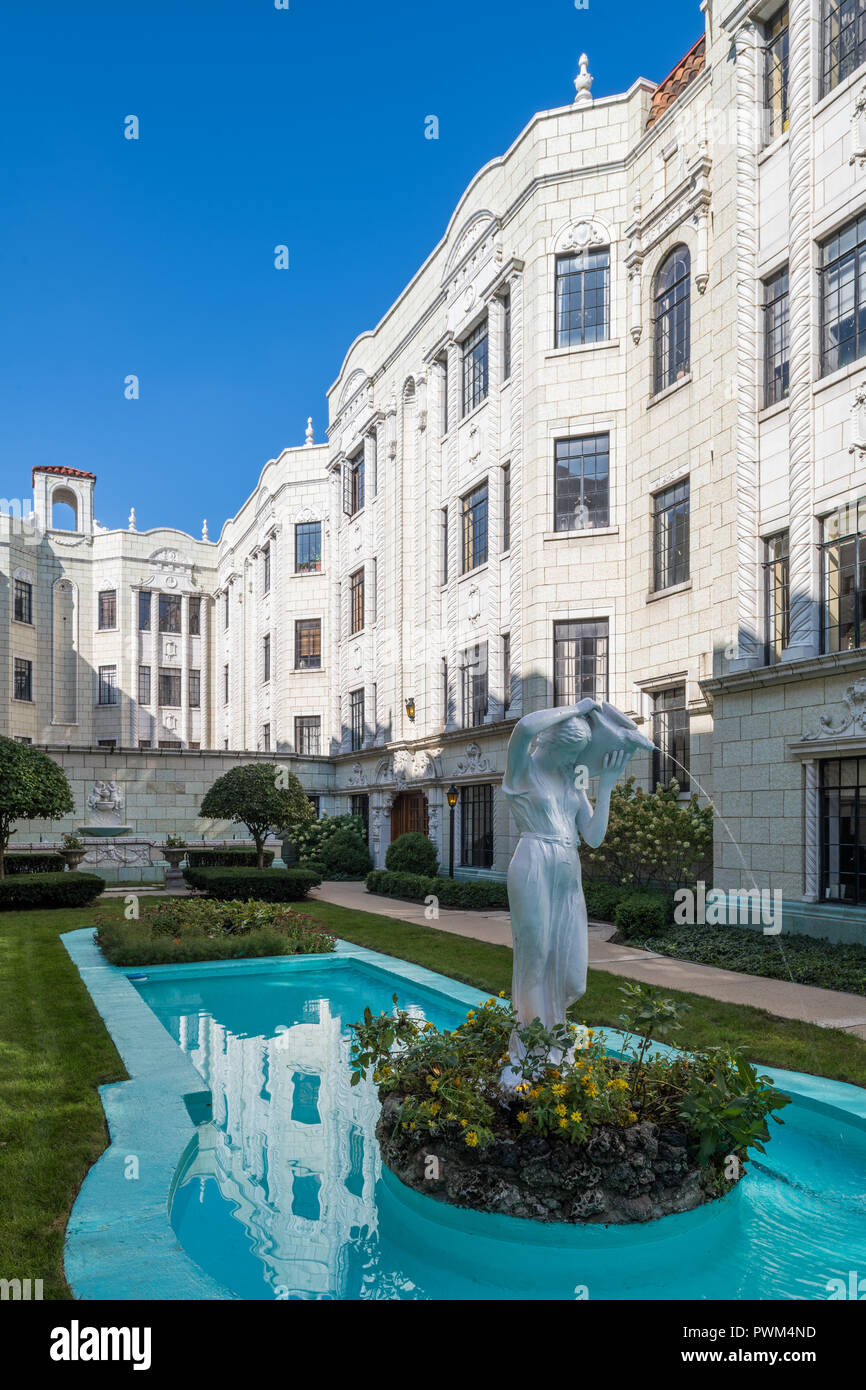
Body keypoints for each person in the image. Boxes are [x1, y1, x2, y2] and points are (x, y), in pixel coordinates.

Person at [500, 699, 654, 1083]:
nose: (572, 761)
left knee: (570, 972)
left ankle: (554, 1039)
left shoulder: (571, 780)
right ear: (549, 745)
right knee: (535, 957)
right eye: (567, 752)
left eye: (576, 754)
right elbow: (525, 728)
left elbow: (595, 837)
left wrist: (608, 787)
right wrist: (578, 708)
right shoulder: (525, 769)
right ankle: (531, 1047)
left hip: (568, 869)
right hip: (534, 860)